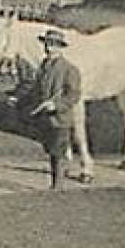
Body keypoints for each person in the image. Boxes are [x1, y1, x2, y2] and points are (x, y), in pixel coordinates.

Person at [21, 27, 83, 190]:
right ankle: (59, 178)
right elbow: (37, 89)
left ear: (61, 48)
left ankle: (58, 185)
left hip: (60, 118)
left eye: (54, 45)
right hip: (46, 118)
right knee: (51, 149)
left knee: (58, 150)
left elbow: (73, 95)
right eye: (47, 44)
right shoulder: (43, 66)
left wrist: (56, 105)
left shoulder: (70, 69)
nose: (49, 48)